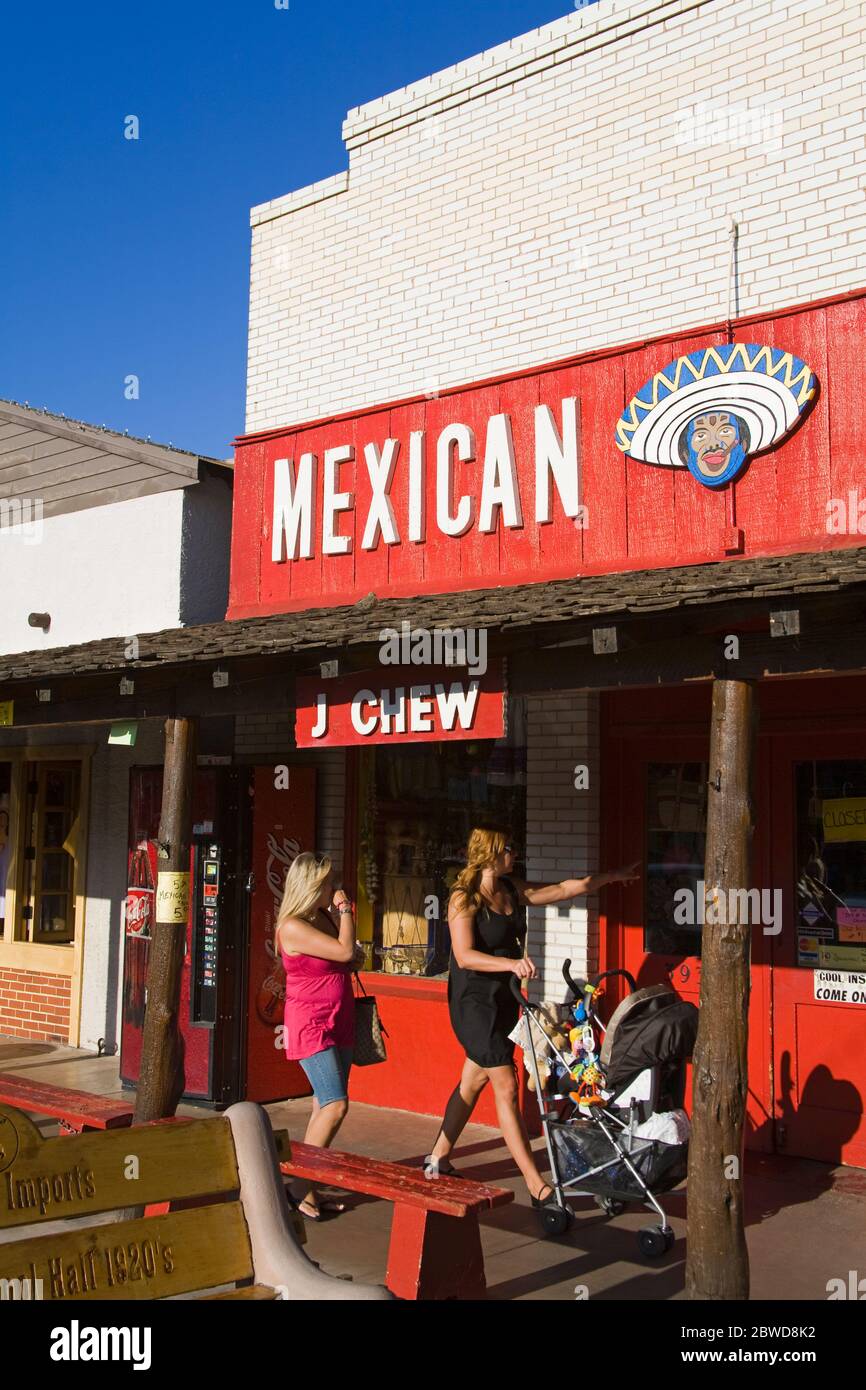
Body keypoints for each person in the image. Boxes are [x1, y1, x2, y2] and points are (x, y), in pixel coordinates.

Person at [424, 825, 640, 1207]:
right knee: (505, 1086)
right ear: (490, 853)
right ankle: (536, 1184)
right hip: (473, 1003)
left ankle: (438, 1156)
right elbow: (463, 956)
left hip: (505, 999)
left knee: (473, 1081)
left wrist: (609, 878)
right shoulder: (464, 898)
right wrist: (511, 963)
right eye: (509, 848)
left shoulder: (511, 889)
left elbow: (561, 890)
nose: (515, 853)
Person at [275, 851, 365, 1220]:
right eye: (330, 883)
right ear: (313, 885)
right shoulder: (293, 925)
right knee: (335, 1104)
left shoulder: (321, 918)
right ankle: (296, 1188)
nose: (336, 889)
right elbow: (344, 949)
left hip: (339, 1017)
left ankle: (306, 1185)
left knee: (320, 1104)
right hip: (311, 1022)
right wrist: (346, 911)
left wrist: (349, 949)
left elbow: (349, 956)